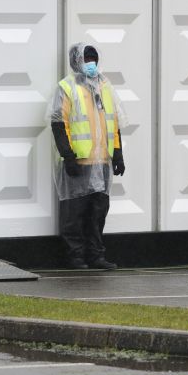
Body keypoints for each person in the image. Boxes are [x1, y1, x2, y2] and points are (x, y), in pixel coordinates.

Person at [49, 43, 125, 270]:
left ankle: (96, 256)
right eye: (86, 58)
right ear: (76, 61)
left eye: (94, 58)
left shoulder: (104, 86)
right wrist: (68, 155)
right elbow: (58, 123)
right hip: (78, 162)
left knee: (98, 213)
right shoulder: (66, 87)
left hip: (102, 162)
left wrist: (118, 153)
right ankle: (75, 257)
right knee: (75, 214)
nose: (91, 63)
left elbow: (114, 122)